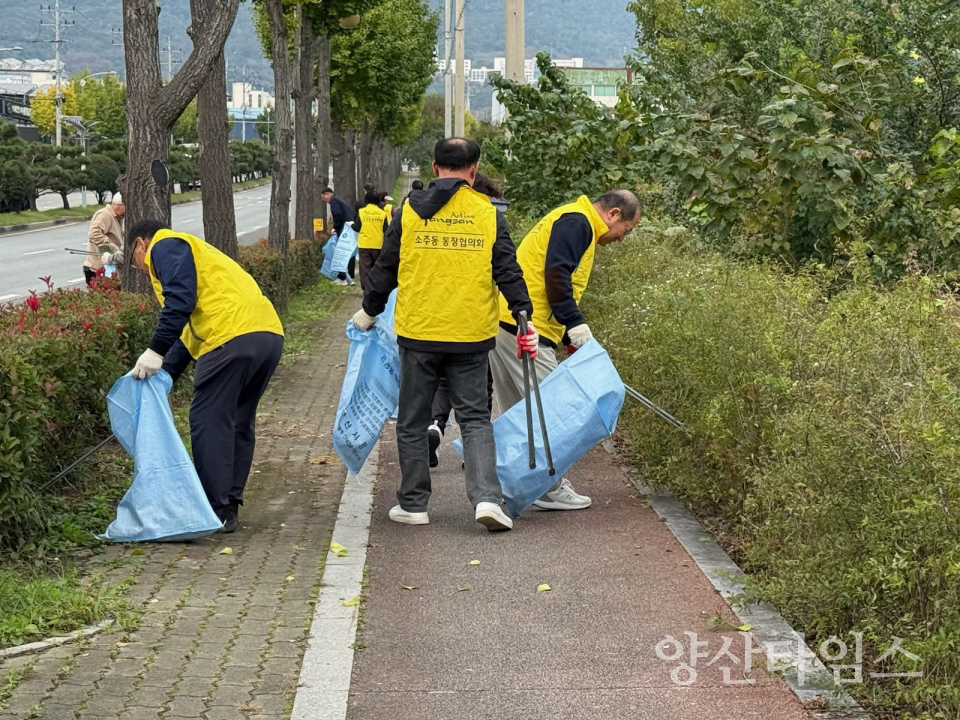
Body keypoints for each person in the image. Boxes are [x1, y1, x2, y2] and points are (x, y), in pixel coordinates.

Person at [354, 138, 537, 532]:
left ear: (435, 168)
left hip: (419, 332)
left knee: (413, 419)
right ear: (473, 171)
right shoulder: (487, 213)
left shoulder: (407, 212)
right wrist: (524, 314)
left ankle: (414, 504)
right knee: (474, 418)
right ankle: (487, 499)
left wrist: (369, 311)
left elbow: (385, 267)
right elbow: (507, 268)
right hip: (471, 334)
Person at [126, 219, 285, 533]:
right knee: (238, 420)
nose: (139, 268)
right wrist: (165, 374)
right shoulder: (197, 253)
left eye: (133, 259)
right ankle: (229, 507)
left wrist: (155, 349)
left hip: (229, 337)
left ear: (140, 244)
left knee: (207, 420)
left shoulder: (164, 245)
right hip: (267, 335)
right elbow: (190, 333)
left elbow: (179, 302)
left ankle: (215, 508)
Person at [489, 189, 642, 510]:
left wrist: (569, 337)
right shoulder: (579, 222)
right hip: (529, 329)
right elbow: (556, 273)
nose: (622, 238)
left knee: (520, 412)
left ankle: (509, 483)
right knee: (552, 413)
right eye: (626, 231)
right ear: (613, 214)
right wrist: (574, 324)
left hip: (507, 320)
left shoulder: (573, 217)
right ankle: (550, 487)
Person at [427, 172, 503, 468]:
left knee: (442, 383)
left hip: (431, 325)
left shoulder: (434, 219)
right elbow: (505, 270)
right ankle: (473, 453)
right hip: (473, 328)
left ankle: (434, 424)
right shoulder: (486, 221)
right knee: (478, 396)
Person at [85, 193, 124, 286]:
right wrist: (111, 247)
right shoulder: (105, 214)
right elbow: (93, 233)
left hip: (110, 266)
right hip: (98, 268)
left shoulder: (117, 217)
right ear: (119, 205)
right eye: (125, 207)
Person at [321, 187, 356, 286]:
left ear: (327, 194)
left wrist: (335, 228)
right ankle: (349, 276)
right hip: (349, 229)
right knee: (347, 252)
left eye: (324, 197)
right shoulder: (340, 200)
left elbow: (337, 214)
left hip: (343, 229)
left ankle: (342, 278)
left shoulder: (334, 201)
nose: (324, 200)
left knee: (339, 253)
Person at [355, 189, 389, 291]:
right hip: (378, 244)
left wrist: (351, 225)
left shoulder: (361, 212)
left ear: (366, 200)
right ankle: (376, 288)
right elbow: (386, 230)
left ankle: (366, 289)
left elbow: (357, 227)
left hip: (364, 244)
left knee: (365, 268)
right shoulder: (382, 214)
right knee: (376, 268)